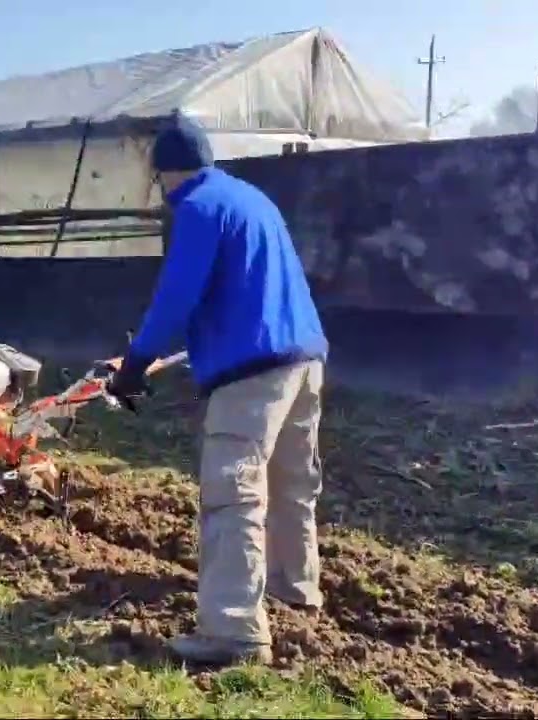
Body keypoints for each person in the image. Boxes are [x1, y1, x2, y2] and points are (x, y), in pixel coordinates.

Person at [106, 116, 329, 667]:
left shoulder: (197, 208)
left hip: (251, 374)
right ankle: (293, 588)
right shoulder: (250, 198)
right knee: (292, 485)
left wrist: (134, 364)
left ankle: (233, 631)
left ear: (165, 175)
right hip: (303, 359)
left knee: (233, 493)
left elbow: (178, 294)